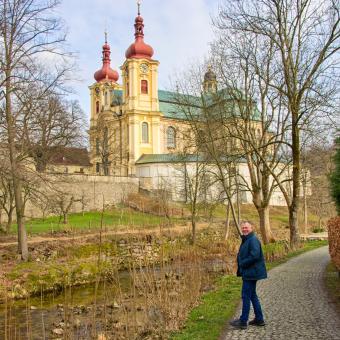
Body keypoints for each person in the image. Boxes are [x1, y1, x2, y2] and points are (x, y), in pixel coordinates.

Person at [229, 221, 267, 330]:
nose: (244, 229)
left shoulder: (253, 240)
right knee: (252, 295)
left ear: (251, 228)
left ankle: (243, 321)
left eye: (246, 227)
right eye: (243, 228)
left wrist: (242, 263)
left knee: (246, 296)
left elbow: (254, 256)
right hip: (250, 272)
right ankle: (259, 319)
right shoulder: (247, 239)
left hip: (251, 273)